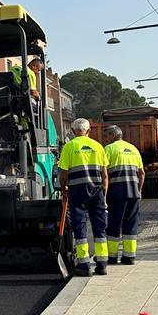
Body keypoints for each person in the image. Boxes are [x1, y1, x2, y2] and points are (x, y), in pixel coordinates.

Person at [58, 118, 109, 276]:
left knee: (80, 227)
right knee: (100, 228)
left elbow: (63, 173)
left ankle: (84, 265)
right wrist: (104, 195)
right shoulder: (98, 146)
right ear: (89, 131)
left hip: (77, 191)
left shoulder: (70, 146)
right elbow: (105, 175)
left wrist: (64, 189)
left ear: (73, 131)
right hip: (97, 191)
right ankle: (102, 264)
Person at [103, 125, 145, 266]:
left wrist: (103, 194)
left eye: (107, 136)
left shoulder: (109, 149)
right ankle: (129, 257)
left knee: (114, 225)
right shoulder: (133, 149)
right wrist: (138, 190)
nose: (106, 139)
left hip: (116, 194)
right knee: (130, 226)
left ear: (113, 135)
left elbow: (104, 173)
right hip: (133, 194)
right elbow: (142, 173)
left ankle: (112, 257)